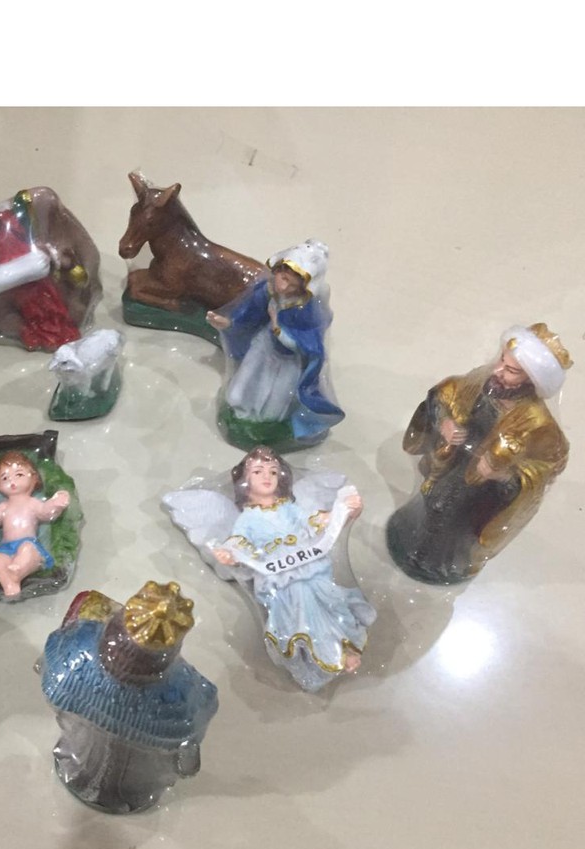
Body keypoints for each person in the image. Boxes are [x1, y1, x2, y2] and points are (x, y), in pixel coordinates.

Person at [386, 323, 571, 584]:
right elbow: (443, 396)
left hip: (482, 492)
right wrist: (445, 423)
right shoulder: (482, 384)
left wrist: (503, 475)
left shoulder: (538, 424)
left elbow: (544, 471)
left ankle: (438, 564)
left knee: (450, 520)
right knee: (431, 503)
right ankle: (410, 538)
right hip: (454, 463)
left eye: (511, 371)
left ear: (531, 380)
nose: (498, 371)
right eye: (501, 360)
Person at [40, 582, 219, 814]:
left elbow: (47, 673)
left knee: (88, 761)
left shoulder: (75, 656)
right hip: (133, 784)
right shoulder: (181, 702)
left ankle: (88, 781)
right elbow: (187, 760)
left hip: (78, 760)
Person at [212, 446, 374, 691]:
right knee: (299, 606)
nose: (267, 477)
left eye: (273, 471)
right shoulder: (247, 518)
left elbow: (312, 522)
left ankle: (343, 644)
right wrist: (228, 552)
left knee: (327, 599)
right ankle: (321, 654)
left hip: (307, 564)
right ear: (244, 482)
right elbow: (239, 542)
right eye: (258, 471)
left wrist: (342, 511)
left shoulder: (288, 507)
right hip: (280, 575)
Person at [206, 238, 343, 446]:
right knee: (239, 390)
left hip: (287, 363)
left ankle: (266, 422)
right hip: (263, 347)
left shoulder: (304, 309)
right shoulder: (268, 291)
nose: (283, 286)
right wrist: (229, 322)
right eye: (282, 277)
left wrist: (278, 329)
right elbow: (250, 311)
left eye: (291, 284)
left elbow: (308, 345)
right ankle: (242, 412)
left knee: (272, 403)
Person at [0, 451, 70, 597]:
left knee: (27, 549)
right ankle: (9, 584)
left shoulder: (32, 503)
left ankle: (18, 570)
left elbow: (45, 512)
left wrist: (55, 504)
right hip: (7, 546)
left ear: (34, 478)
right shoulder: (4, 506)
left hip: (27, 543)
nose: (12, 481)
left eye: (19, 475)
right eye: (5, 478)